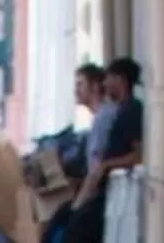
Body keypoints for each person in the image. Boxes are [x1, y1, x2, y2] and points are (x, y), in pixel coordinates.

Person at [68, 58, 145, 243]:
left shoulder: (130, 111)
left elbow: (138, 154)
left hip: (113, 193)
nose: (105, 84)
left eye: (109, 78)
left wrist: (106, 165)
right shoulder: (120, 111)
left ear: (121, 80)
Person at [37, 64, 103, 243]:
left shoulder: (103, 120)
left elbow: (97, 170)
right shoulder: (96, 122)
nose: (76, 90)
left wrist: (78, 205)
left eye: (80, 84)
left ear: (95, 86)